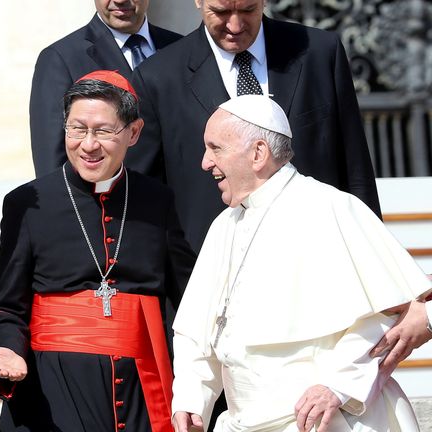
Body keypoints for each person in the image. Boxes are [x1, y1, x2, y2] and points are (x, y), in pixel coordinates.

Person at [171, 95, 429, 432]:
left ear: (258, 153)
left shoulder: (330, 207)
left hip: (324, 418)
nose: (205, 162)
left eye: (215, 148)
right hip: (241, 421)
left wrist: (337, 385)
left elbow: (383, 316)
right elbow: (198, 331)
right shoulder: (223, 226)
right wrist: (191, 399)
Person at [0, 70, 196, 432]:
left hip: (142, 394)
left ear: (133, 132)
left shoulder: (157, 201)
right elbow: (7, 307)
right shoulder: (28, 203)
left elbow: (190, 301)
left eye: (103, 131)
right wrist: (6, 348)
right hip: (53, 393)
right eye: (77, 129)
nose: (88, 144)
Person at [126, 0, 381, 252]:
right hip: (212, 262)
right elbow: (146, 194)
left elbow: (355, 169)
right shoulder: (158, 77)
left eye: (248, 10)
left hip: (319, 251)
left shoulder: (320, 53)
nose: (235, 26)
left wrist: (372, 253)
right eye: (221, 12)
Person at [29, 0, 181, 177]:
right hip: (110, 193)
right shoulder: (61, 59)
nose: (120, 0)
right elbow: (51, 163)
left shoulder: (180, 47)